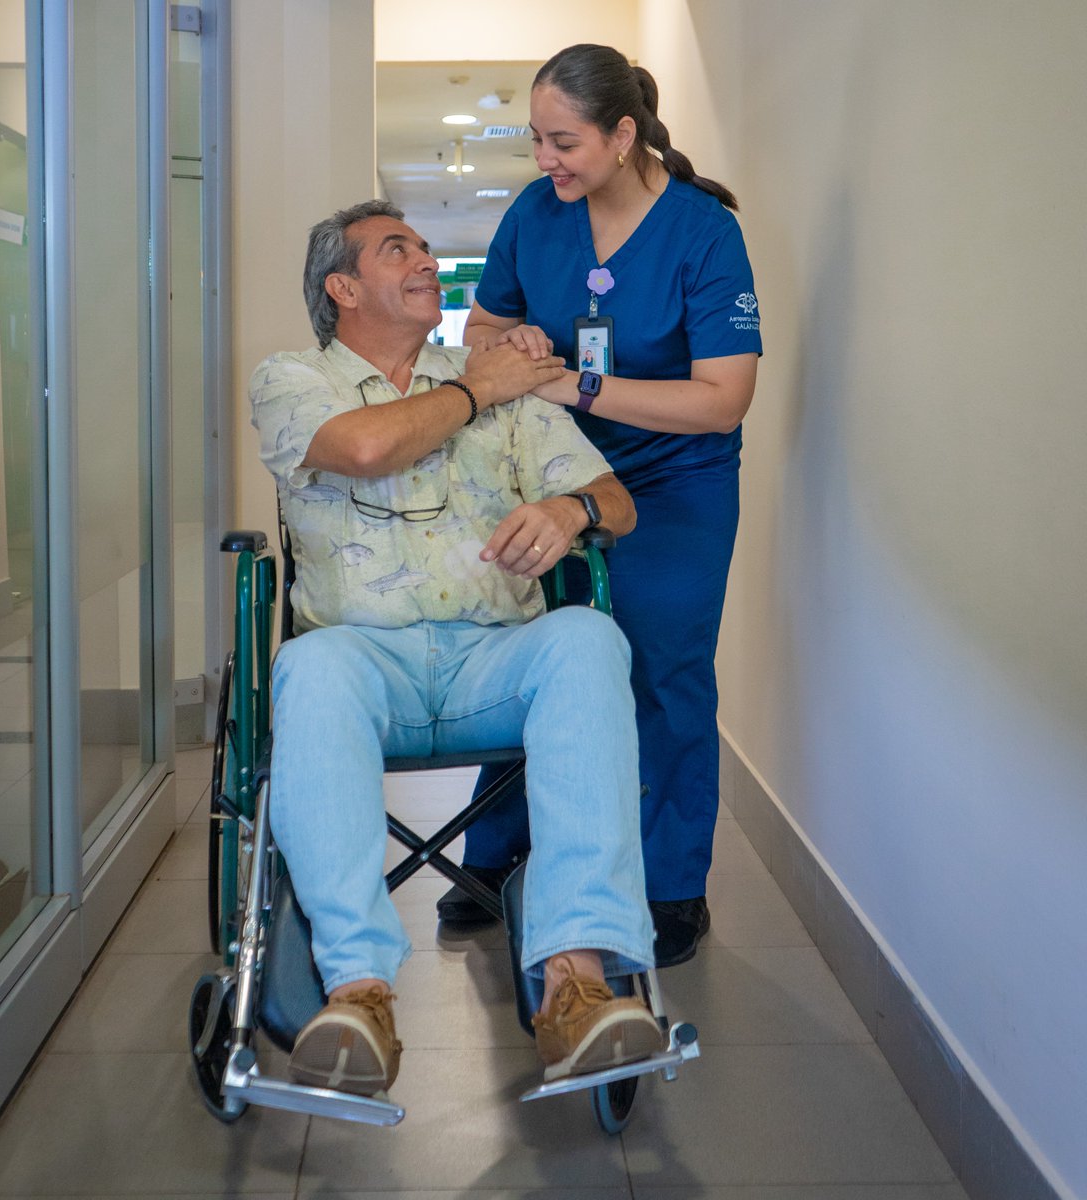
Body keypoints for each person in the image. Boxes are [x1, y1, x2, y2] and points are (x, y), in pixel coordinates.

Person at [248, 198, 662, 1097]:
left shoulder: (499, 380)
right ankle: (359, 995)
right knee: (306, 666)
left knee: (587, 639)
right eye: (400, 248)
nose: (428, 259)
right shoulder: (294, 378)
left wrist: (571, 508)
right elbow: (360, 446)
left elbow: (617, 500)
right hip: (364, 663)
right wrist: (481, 389)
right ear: (343, 287)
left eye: (428, 246)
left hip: (491, 660)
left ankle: (576, 987)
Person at [441, 44, 762, 968]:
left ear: (623, 136)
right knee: (536, 655)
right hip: (554, 473)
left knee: (665, 672)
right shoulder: (537, 217)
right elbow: (485, 329)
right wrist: (518, 339)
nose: (546, 161)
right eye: (536, 140)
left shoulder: (703, 232)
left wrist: (579, 386)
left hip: (676, 484)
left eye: (564, 141)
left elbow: (721, 399)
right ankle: (492, 860)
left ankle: (668, 887)